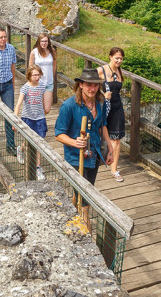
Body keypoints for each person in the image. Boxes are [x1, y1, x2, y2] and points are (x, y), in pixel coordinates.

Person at [54, 68, 109, 229]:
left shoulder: (100, 102)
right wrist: (74, 142)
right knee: (85, 194)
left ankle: (71, 209)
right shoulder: (69, 106)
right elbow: (58, 134)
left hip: (95, 153)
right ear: (81, 85)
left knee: (87, 187)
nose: (92, 89)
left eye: (95, 85)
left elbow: (103, 125)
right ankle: (86, 227)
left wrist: (110, 148)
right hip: (76, 156)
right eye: (89, 85)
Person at [14, 64, 51, 179]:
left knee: (39, 143)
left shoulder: (42, 86)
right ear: (29, 76)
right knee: (30, 142)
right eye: (34, 75)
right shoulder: (25, 87)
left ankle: (37, 167)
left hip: (39, 118)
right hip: (28, 118)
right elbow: (19, 103)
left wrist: (45, 111)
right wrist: (15, 119)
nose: (36, 77)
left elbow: (44, 101)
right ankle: (21, 149)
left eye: (38, 75)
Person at [100, 47, 126, 182]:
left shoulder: (120, 71)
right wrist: (102, 94)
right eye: (117, 58)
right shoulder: (101, 70)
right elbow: (86, 86)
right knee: (99, 134)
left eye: (121, 58)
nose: (119, 60)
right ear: (110, 57)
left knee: (116, 139)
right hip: (103, 106)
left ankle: (114, 170)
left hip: (117, 107)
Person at [30, 34, 57, 104]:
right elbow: (30, 68)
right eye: (42, 41)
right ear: (39, 42)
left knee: (47, 109)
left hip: (49, 83)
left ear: (48, 42)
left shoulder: (52, 52)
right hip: (38, 82)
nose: (44, 43)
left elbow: (54, 66)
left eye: (46, 41)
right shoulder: (34, 52)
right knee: (38, 105)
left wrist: (51, 76)